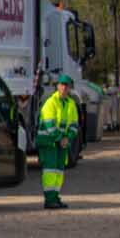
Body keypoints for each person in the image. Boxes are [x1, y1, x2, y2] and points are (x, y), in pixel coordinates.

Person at [38, 74, 80, 209]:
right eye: (61, 85)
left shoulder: (71, 104)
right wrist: (62, 138)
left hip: (61, 142)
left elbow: (74, 124)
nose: (64, 88)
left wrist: (68, 138)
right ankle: (49, 200)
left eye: (66, 86)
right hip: (49, 142)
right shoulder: (50, 103)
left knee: (59, 171)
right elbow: (50, 125)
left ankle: (55, 196)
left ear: (70, 88)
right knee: (50, 171)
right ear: (57, 86)